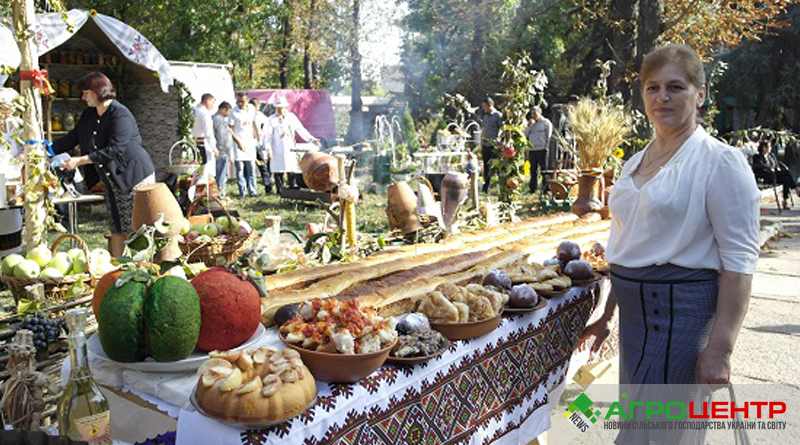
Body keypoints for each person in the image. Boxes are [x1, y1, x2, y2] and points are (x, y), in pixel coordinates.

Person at [580, 45, 761, 443]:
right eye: (653, 87)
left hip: (681, 321)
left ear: (700, 94)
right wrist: (607, 317)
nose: (662, 97)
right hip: (635, 326)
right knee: (634, 432)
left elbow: (740, 262)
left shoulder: (720, 162)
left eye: (675, 87)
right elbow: (627, 245)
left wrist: (721, 349)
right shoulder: (634, 163)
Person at [54, 72, 155, 235]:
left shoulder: (120, 114)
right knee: (117, 227)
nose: (83, 97)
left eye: (86, 93)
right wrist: (45, 150)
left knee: (136, 229)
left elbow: (115, 149)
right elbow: (73, 138)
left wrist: (80, 160)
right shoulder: (89, 114)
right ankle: (119, 252)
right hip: (112, 180)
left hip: (133, 176)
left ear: (98, 91)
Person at [264, 96, 319, 192]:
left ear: (286, 108)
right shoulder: (271, 120)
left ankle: (292, 187)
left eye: (281, 108)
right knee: (278, 169)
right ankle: (280, 189)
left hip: (290, 147)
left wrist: (311, 139)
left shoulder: (291, 117)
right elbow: (267, 137)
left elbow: (300, 129)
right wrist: (269, 150)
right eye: (278, 108)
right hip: (277, 148)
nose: (279, 110)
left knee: (291, 167)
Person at [0, 88, 23, 257]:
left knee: (10, 215)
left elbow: (26, 147)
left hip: (11, 176)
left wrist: (22, 156)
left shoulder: (18, 125)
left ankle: (10, 255)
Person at [752, 138, 798, 209]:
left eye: (769, 147)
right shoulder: (757, 157)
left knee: (786, 179)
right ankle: (796, 188)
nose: (768, 148)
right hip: (765, 177)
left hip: (774, 175)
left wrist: (776, 169)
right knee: (786, 172)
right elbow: (760, 168)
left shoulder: (771, 156)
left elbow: (776, 165)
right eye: (766, 147)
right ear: (761, 147)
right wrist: (772, 169)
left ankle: (785, 201)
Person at [229, 92, 258, 197]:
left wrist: (256, 135)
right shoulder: (233, 112)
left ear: (247, 101)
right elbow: (230, 128)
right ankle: (243, 191)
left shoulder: (251, 109)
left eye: (243, 101)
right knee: (240, 169)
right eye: (239, 101)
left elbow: (253, 123)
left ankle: (253, 191)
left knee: (251, 169)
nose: (240, 104)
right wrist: (238, 141)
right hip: (239, 143)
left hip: (249, 142)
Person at [523, 106, 552, 194]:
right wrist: (528, 126)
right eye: (532, 114)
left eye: (535, 113)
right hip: (532, 150)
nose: (533, 115)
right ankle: (532, 189)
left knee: (544, 171)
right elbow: (525, 134)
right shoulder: (531, 124)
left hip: (542, 149)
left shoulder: (546, 122)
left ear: (540, 113)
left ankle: (546, 189)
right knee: (533, 170)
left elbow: (549, 136)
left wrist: (547, 147)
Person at [479, 97, 503, 193]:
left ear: (490, 105)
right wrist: (481, 142)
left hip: (494, 145)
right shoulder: (485, 116)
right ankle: (486, 187)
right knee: (486, 166)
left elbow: (502, 128)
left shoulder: (498, 115)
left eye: (484, 106)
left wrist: (499, 140)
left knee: (496, 166)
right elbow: (484, 129)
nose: (483, 108)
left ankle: (500, 186)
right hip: (486, 144)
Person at [250, 98, 273, 194]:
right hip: (249, 144)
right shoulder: (247, 115)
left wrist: (262, 133)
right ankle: (250, 188)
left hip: (257, 143)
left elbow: (267, 125)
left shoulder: (260, 116)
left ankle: (268, 186)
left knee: (262, 165)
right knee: (249, 167)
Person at [212, 101, 234, 198]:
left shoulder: (217, 119)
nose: (229, 114)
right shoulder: (218, 120)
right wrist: (227, 151)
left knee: (221, 174)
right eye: (228, 111)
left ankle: (220, 193)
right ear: (224, 110)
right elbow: (222, 138)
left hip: (221, 151)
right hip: (221, 151)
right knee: (221, 175)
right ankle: (220, 195)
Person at [192, 93, 217, 171]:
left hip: (191, 142)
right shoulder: (205, 113)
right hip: (201, 142)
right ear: (207, 102)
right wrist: (214, 147)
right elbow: (208, 132)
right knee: (202, 168)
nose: (213, 106)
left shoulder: (192, 110)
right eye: (212, 103)